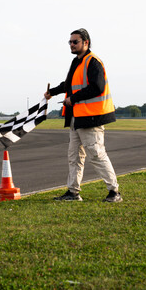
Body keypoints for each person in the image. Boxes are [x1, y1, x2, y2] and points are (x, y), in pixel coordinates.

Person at [44, 28, 122, 203]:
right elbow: (69, 84)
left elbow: (97, 87)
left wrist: (74, 98)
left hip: (91, 118)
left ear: (86, 43)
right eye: (70, 42)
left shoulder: (93, 62)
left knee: (96, 154)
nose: (71, 45)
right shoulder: (76, 62)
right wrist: (53, 92)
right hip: (76, 118)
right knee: (74, 157)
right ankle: (73, 192)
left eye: (75, 42)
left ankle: (114, 192)